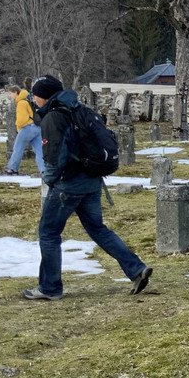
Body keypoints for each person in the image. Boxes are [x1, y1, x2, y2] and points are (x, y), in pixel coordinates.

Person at [24, 75, 153, 301]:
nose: (33, 98)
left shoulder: (54, 118)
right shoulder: (80, 110)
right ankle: (136, 269)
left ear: (44, 96)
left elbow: (55, 158)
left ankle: (50, 288)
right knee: (98, 229)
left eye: (35, 94)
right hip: (92, 182)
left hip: (68, 184)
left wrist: (50, 180)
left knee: (48, 232)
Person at [4, 84, 45, 175]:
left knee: (18, 148)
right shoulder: (27, 100)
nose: (9, 96)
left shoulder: (21, 103)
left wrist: (17, 126)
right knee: (39, 151)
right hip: (37, 127)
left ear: (16, 92)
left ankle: (12, 168)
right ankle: (44, 171)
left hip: (27, 128)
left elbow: (22, 119)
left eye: (10, 93)